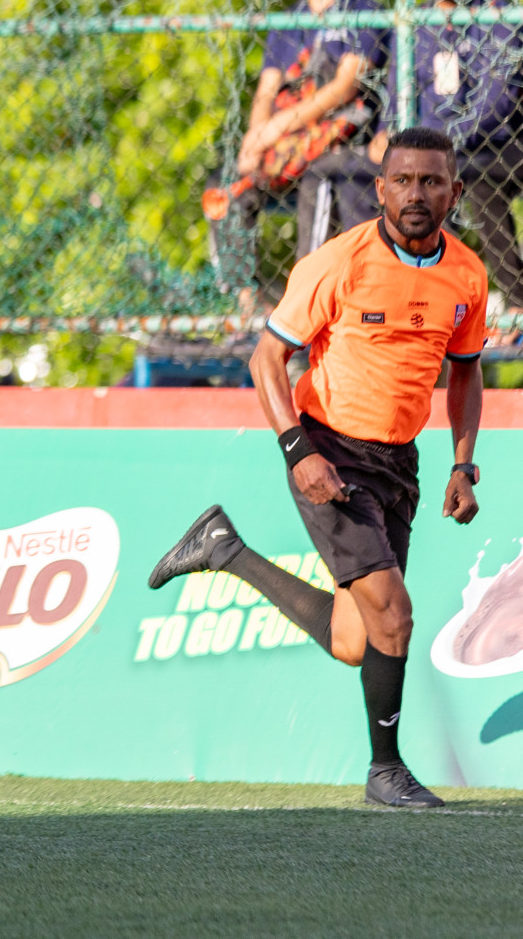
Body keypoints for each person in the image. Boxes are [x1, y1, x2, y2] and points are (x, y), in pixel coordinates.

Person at [151, 127, 488, 809]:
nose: (417, 194)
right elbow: (265, 360)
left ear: (455, 193)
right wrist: (296, 450)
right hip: (328, 453)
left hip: (400, 462)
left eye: (432, 182)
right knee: (393, 615)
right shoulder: (340, 262)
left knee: (354, 639)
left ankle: (225, 549)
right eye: (404, 180)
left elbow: (467, 371)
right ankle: (385, 770)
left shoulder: (468, 275)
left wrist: (462, 463)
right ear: (381, 188)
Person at [210, 0, 385, 303]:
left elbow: (343, 88)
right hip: (286, 145)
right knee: (223, 189)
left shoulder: (364, 11)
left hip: (338, 141)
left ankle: (306, 304)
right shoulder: (289, 20)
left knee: (316, 182)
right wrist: (256, 138)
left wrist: (274, 130)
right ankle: (243, 299)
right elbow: (267, 89)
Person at [369, 0, 523, 309]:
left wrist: (443, 144)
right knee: (376, 176)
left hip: (493, 147)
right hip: (427, 150)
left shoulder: (500, 16)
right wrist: (389, 133)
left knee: (479, 182)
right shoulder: (418, 23)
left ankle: (517, 303)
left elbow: (498, 99)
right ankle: (401, 296)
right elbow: (396, 90)